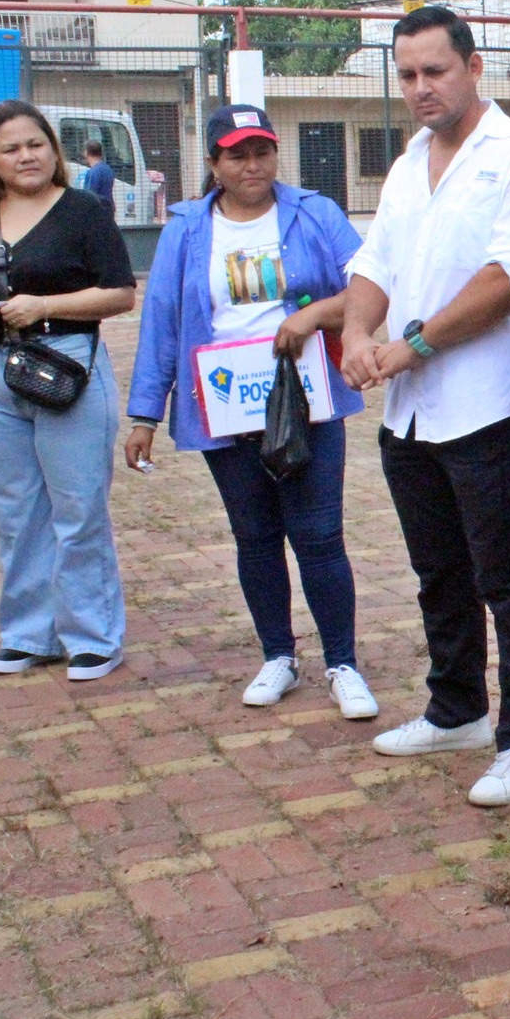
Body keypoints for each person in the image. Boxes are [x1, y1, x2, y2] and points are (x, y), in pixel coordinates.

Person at [340, 6, 510, 807]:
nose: (420, 87)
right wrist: (356, 331)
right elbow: (376, 260)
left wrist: (412, 345)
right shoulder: (409, 161)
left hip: (488, 407)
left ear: (473, 67)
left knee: (509, 578)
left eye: (435, 70)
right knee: (438, 571)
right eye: (407, 74)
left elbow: (509, 279)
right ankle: (457, 708)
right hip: (410, 412)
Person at [124, 105, 380, 722]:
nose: (252, 165)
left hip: (305, 398)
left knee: (319, 535)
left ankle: (342, 663)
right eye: (236, 155)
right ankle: (277, 656)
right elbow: (163, 321)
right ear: (213, 162)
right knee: (255, 536)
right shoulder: (186, 229)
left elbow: (370, 284)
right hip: (226, 402)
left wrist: (312, 315)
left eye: (262, 151)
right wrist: (144, 413)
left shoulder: (314, 213)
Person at [0, 100, 135, 681]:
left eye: (35, 144)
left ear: (53, 149)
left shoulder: (83, 211)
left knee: (78, 506)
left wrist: (45, 304)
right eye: (11, 148)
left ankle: (93, 636)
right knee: (16, 508)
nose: (26, 156)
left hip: (65, 365)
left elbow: (120, 292)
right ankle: (28, 633)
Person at [83, 141, 116, 214]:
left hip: (97, 212)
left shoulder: (93, 172)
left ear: (86, 153)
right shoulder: (107, 169)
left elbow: (90, 195)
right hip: (108, 209)